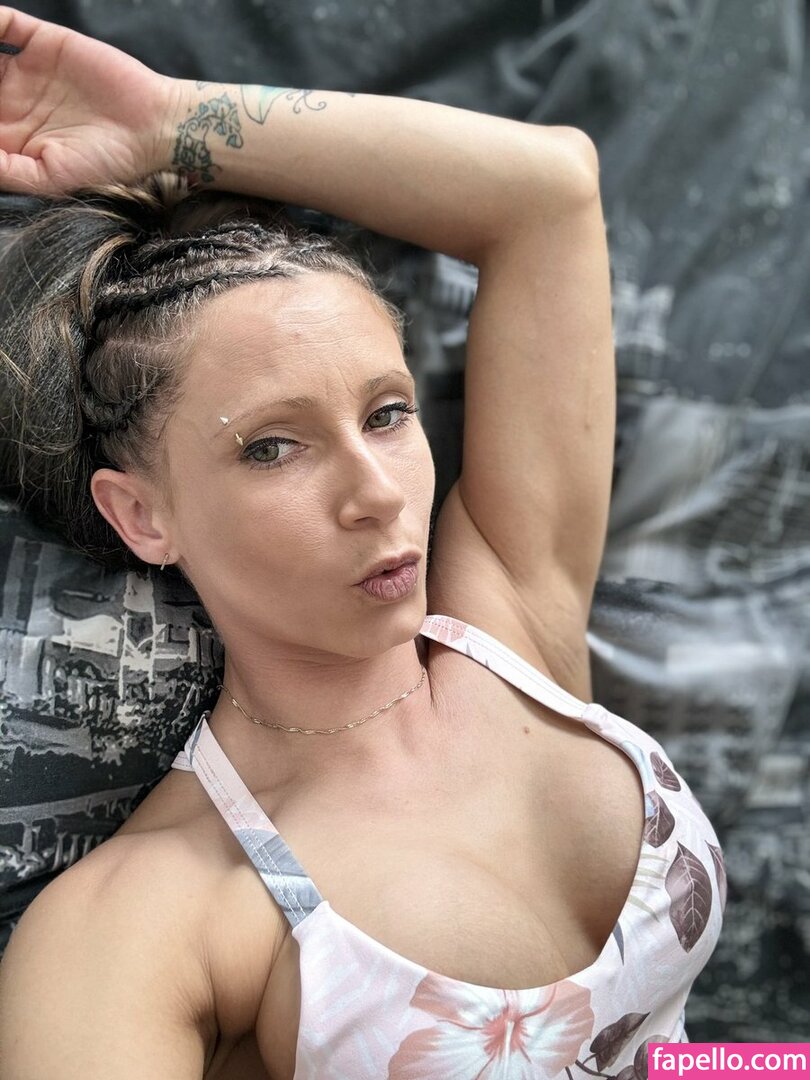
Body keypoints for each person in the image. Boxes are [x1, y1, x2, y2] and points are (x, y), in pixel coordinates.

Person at [0, 7, 726, 1079]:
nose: (378, 495)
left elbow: (547, 191)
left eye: (387, 414)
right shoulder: (151, 920)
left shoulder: (510, 628)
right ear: (142, 515)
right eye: (273, 447)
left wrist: (170, 119)